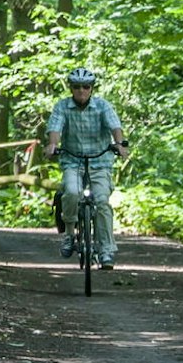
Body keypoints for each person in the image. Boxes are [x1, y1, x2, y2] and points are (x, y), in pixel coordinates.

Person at [45, 68, 130, 270]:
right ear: (70, 88)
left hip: (100, 162)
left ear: (91, 88)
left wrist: (119, 144)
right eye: (76, 87)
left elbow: (114, 126)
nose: (81, 91)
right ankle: (69, 234)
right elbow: (55, 129)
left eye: (85, 87)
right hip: (72, 161)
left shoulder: (102, 106)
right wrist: (52, 145)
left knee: (102, 202)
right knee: (72, 192)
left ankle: (106, 250)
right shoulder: (62, 107)